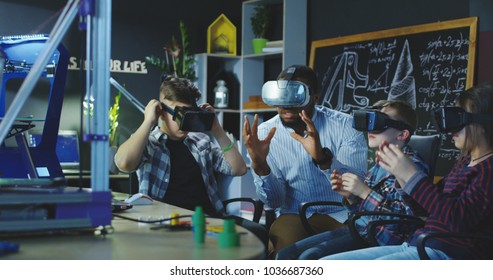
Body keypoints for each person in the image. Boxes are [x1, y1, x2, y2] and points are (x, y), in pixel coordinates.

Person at [322, 82, 493, 260]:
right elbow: (426, 210)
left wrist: (412, 177)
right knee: (324, 264)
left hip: (446, 252)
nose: (451, 128)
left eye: (458, 119)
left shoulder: (488, 168)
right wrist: (404, 180)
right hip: (418, 243)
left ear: (483, 124)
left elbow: (457, 219)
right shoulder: (464, 163)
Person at [114, 76, 266, 243]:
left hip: (209, 218)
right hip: (169, 222)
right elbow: (123, 163)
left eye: (188, 114)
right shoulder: (149, 143)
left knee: (258, 232)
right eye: (178, 114)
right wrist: (148, 121)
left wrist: (216, 127)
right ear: (161, 112)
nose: (183, 123)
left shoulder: (200, 142)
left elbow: (239, 169)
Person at [276, 99, 428, 260]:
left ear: (402, 134)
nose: (371, 129)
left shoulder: (412, 166)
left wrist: (364, 192)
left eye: (379, 123)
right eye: (370, 121)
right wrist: (351, 196)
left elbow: (404, 222)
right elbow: (364, 213)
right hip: (360, 229)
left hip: (382, 239)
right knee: (286, 255)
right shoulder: (380, 163)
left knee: (309, 258)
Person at [243, 65, 368, 258]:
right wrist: (261, 167)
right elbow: (275, 201)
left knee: (331, 257)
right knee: (284, 257)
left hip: (343, 213)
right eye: (283, 96)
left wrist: (323, 159)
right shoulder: (263, 134)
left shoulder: (345, 126)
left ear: (315, 98)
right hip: (294, 215)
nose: (287, 105)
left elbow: (356, 190)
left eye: (297, 96)